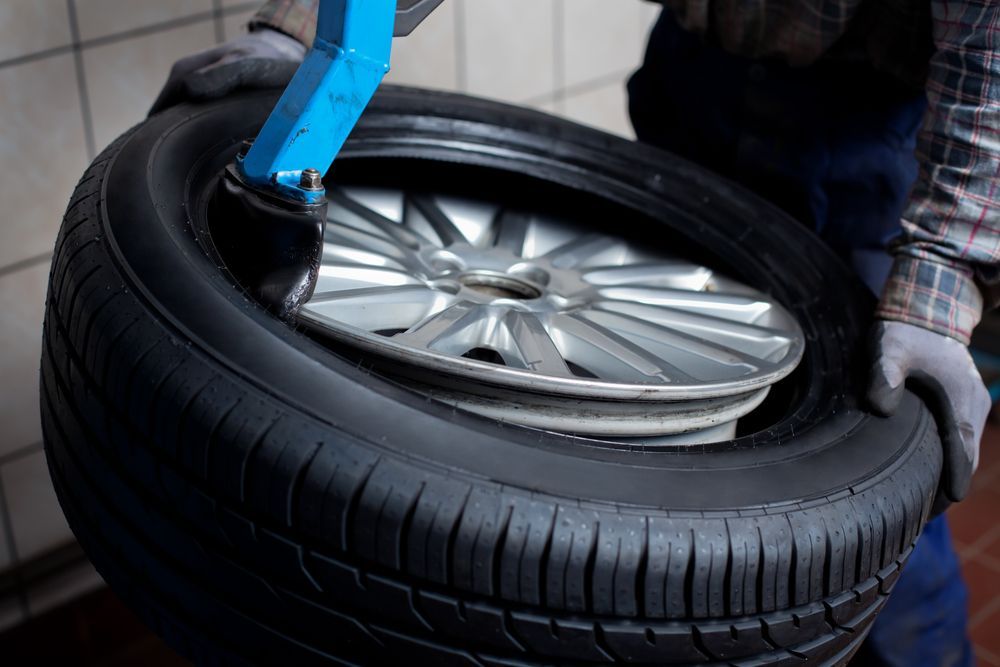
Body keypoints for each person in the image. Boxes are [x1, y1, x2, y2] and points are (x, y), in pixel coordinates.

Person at [154, 1, 998, 664]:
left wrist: (936, 286)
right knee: (676, 459)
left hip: (877, 126)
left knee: (857, 516)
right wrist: (311, 40)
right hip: (696, 74)